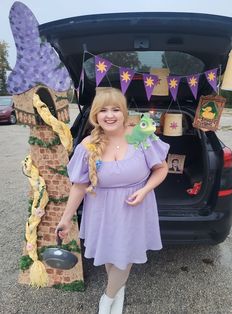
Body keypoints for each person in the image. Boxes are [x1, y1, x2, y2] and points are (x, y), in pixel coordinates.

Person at [56, 87, 170, 314]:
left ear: (124, 113)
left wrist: (145, 190)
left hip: (133, 207)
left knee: (123, 256)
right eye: (103, 110)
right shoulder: (88, 145)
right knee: (110, 252)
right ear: (95, 115)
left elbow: (162, 168)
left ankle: (107, 298)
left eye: (116, 109)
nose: (110, 115)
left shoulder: (141, 137)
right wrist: (66, 219)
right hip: (101, 209)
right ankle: (118, 288)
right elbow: (78, 186)